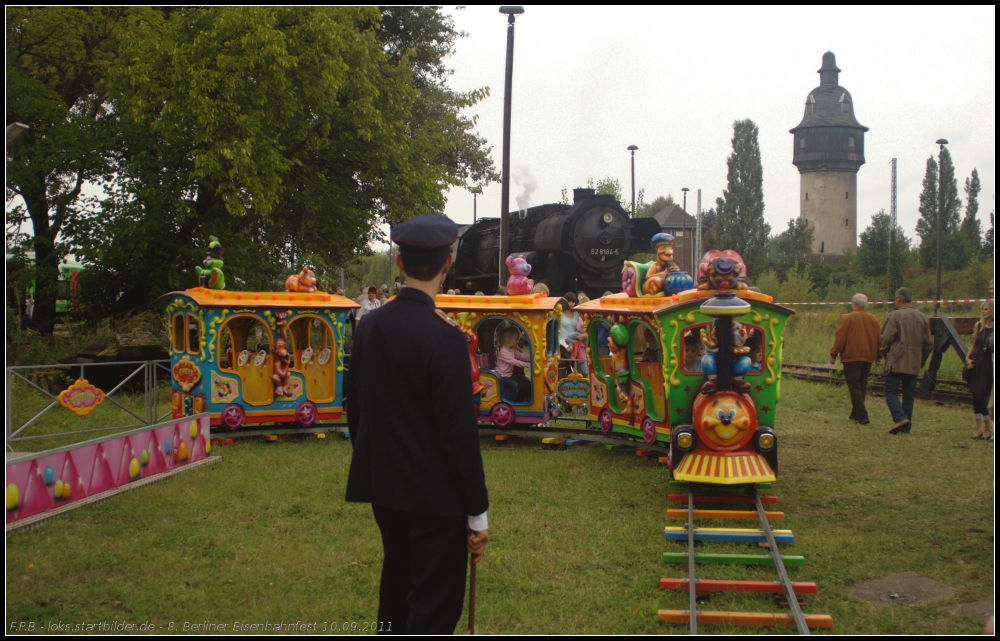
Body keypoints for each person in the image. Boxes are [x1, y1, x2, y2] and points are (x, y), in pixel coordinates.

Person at [346, 213, 489, 634]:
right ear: (448, 264)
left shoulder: (369, 327)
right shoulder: (446, 338)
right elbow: (458, 436)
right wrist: (477, 513)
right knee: (432, 608)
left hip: (385, 489)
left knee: (395, 591)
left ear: (399, 263)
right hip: (435, 498)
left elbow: (356, 409)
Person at [880, 287, 933, 435]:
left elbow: (886, 339)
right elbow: (928, 343)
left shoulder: (895, 315)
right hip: (914, 362)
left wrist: (883, 354)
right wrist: (922, 359)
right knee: (909, 396)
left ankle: (900, 418)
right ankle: (906, 428)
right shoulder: (922, 316)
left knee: (890, 391)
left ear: (898, 299)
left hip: (897, 360)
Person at [828, 293, 881, 425]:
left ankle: (863, 416)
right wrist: (878, 357)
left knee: (854, 386)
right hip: (868, 357)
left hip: (851, 357)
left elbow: (841, 337)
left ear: (854, 304)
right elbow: (879, 340)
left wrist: (833, 354)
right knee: (861, 386)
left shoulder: (849, 318)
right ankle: (855, 414)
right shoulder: (873, 320)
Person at [965, 300, 993, 440]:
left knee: (983, 396)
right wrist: (967, 359)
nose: (983, 312)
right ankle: (979, 428)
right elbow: (974, 344)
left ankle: (988, 428)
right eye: (982, 309)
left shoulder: (993, 328)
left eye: (986, 309)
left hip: (988, 363)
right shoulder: (979, 325)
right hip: (976, 361)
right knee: (975, 396)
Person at [496, 326, 531, 401]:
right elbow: (514, 362)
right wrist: (528, 365)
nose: (517, 341)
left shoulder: (512, 349)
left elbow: (522, 356)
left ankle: (519, 402)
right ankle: (511, 403)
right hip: (501, 376)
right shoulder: (503, 352)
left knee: (524, 385)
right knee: (514, 385)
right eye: (515, 339)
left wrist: (532, 357)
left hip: (508, 376)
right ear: (508, 340)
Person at [559, 292, 581, 378]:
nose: (571, 304)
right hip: (563, 343)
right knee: (567, 365)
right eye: (569, 301)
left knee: (577, 366)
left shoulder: (577, 314)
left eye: (573, 301)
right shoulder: (559, 313)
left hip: (576, 343)